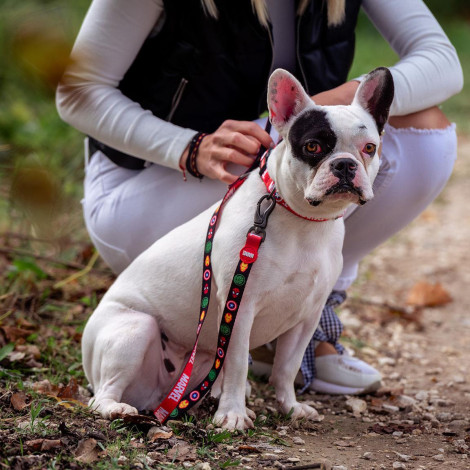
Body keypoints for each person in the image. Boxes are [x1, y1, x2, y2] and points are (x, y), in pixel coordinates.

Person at [56, 0, 463, 396]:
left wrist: (333, 109)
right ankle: (256, 325)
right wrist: (186, 147)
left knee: (426, 132)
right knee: (275, 153)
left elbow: (443, 62)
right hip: (150, 183)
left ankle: (294, 314)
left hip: (277, 151)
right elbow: (77, 90)